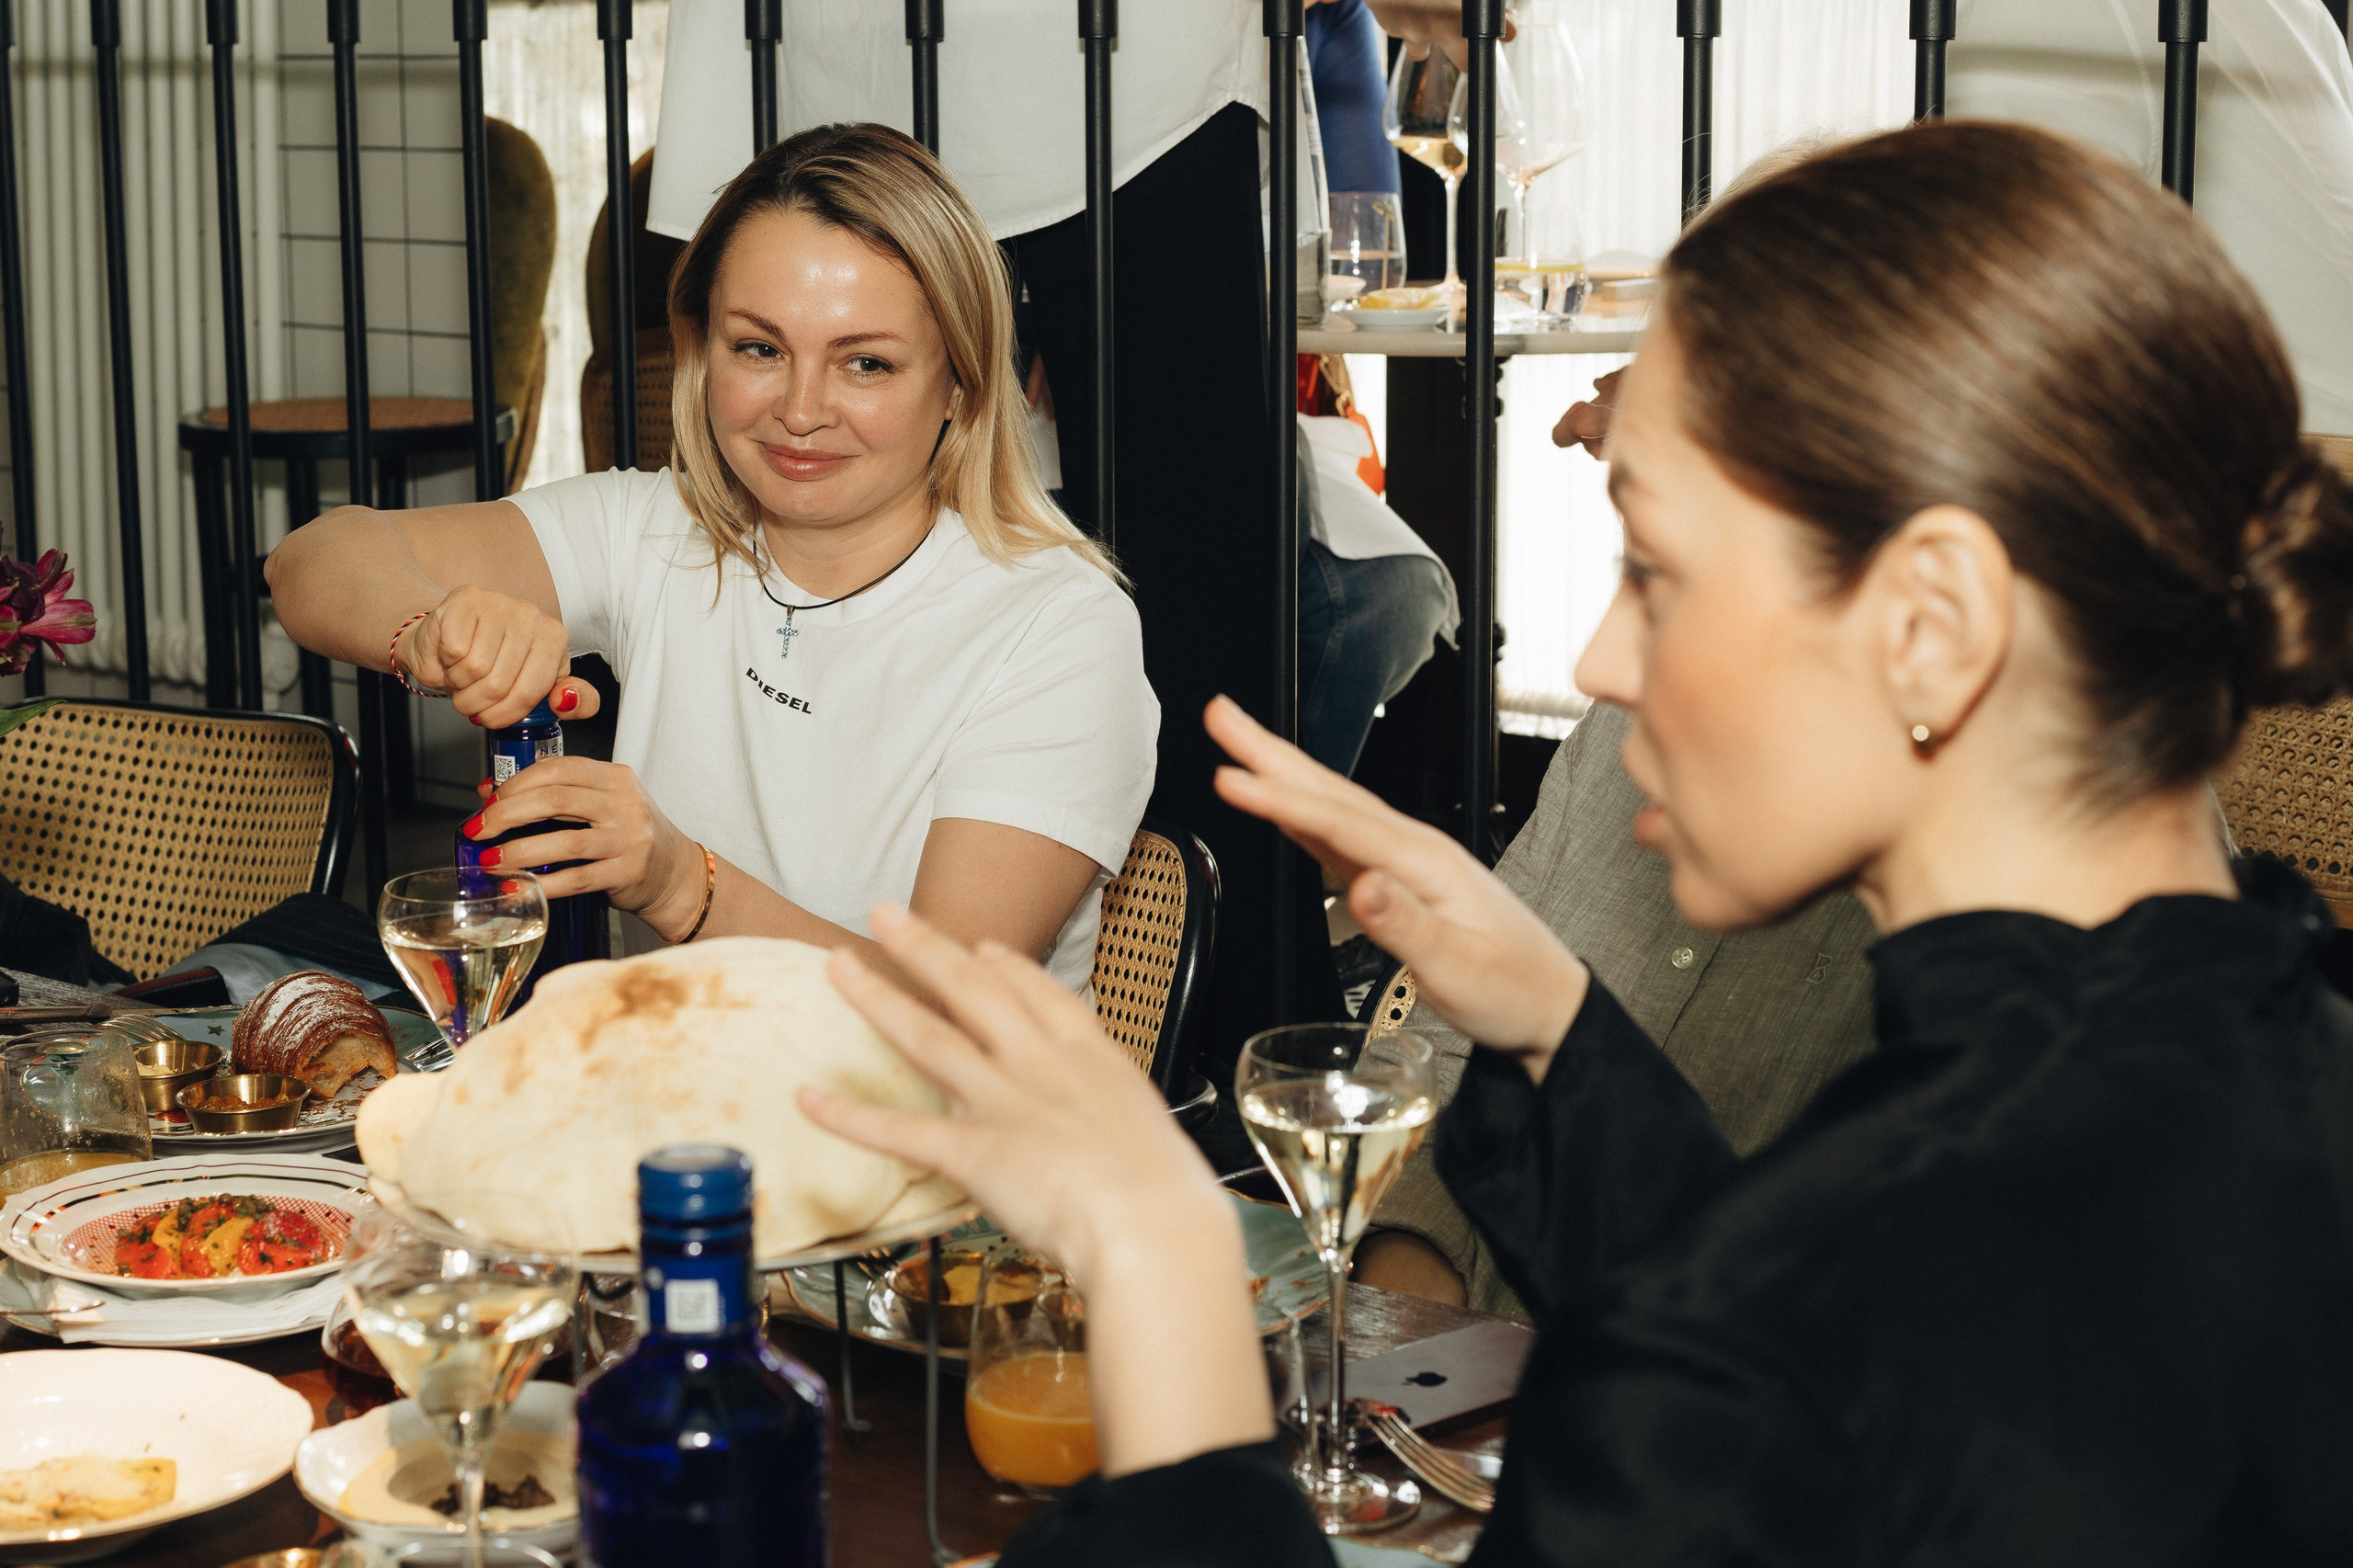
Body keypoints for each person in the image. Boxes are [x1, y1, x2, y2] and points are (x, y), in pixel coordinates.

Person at [800, 122, 2353, 1561]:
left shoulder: (1831, 1294)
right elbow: (1814, 1358)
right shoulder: (2261, 1059)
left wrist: (1159, 1271)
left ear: (1932, 628)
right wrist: (1553, 1022)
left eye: (1657, 569)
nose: (1605, 660)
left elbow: (1784, 1351)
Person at [266, 125, 1154, 991]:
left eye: (867, 365)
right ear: (701, 352)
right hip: (671, 1110)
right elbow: (313, 561)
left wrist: (681, 884)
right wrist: (431, 633)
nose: (801, 410)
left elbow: (950, 1014)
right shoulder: (657, 528)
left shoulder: (1059, 628)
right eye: (759, 349)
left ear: (959, 382)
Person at [1354, 699, 1877, 1316]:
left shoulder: (1977, 902)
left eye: (1669, 596)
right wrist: (1406, 1307)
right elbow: (1441, 1049)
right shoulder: (1620, 721)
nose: (1595, 669)